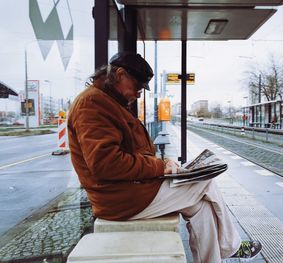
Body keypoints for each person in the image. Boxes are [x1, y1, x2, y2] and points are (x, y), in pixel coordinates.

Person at [67, 51, 262, 263]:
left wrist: (164, 165)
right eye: (138, 87)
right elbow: (106, 164)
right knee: (205, 182)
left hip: (130, 190)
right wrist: (160, 167)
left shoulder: (108, 101)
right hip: (120, 199)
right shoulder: (93, 104)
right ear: (120, 74)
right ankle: (230, 246)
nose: (140, 94)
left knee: (201, 209)